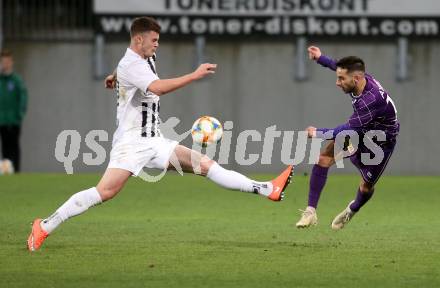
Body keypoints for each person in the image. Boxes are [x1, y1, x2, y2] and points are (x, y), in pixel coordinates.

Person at [27, 17, 293, 251]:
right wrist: (194, 75)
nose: (157, 45)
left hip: (154, 140)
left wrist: (113, 77)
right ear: (139, 39)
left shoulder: (142, 58)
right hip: (131, 144)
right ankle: (45, 226)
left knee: (207, 165)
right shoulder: (132, 64)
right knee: (104, 192)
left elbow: (128, 71)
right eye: (153, 40)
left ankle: (268, 188)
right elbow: (157, 87)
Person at [295, 46, 399, 230]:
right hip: (359, 133)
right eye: (338, 77)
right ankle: (310, 212)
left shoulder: (371, 101)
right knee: (323, 158)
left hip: (380, 144)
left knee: (366, 187)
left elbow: (345, 129)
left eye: (341, 79)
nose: (337, 82)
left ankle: (352, 209)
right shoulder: (359, 79)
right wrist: (320, 58)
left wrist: (317, 133)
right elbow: (338, 66)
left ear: (356, 79)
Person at [0, 49, 28, 172]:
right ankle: (5, 170)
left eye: (7, 61)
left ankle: (15, 171)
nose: (5, 64)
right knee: (4, 148)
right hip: (1, 120)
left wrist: (19, 114)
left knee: (13, 146)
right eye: (3, 62)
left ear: (11, 62)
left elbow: (23, 97)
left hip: (13, 121)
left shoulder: (16, 80)